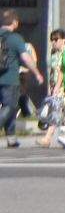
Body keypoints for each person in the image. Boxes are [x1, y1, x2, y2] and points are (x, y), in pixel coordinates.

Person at [0, 12, 31, 146]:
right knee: (10, 106)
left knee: (12, 108)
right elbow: (25, 57)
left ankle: (11, 138)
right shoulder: (15, 38)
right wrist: (36, 72)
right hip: (10, 78)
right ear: (15, 23)